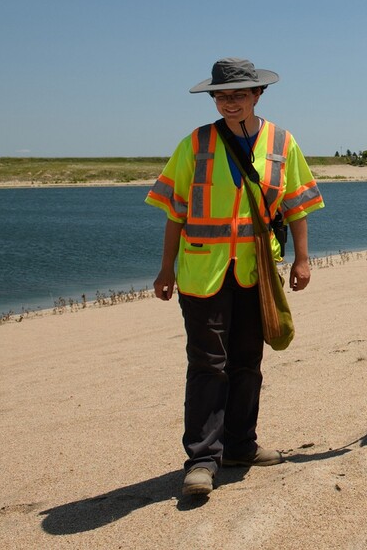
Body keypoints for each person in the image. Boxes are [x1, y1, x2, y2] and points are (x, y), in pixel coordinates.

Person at [146, 58, 325, 496]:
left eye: (239, 94)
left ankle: (241, 445)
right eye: (222, 95)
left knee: (248, 362)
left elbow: (297, 206)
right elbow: (174, 211)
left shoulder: (282, 142)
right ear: (214, 98)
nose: (230, 102)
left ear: (257, 95)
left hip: (255, 271)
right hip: (202, 271)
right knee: (208, 364)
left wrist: (302, 260)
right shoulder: (197, 143)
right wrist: (165, 267)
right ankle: (202, 460)